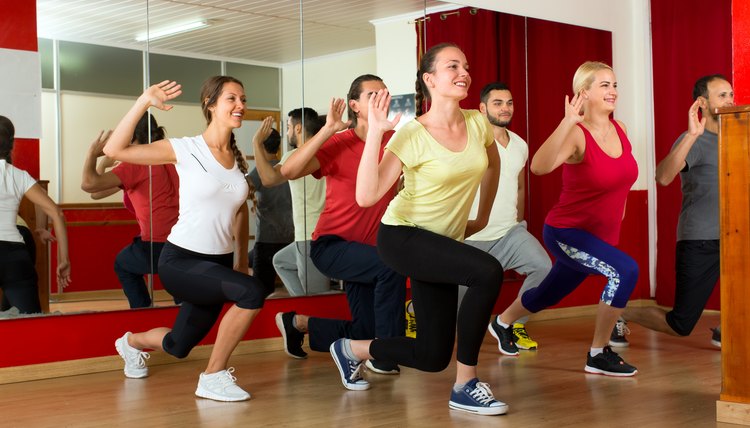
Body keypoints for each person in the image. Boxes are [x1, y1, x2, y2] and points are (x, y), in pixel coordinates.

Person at [329, 43, 507, 416]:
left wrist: (484, 215)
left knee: (431, 356)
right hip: (403, 236)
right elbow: (367, 195)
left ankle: (352, 349)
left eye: (466, 65)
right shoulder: (411, 133)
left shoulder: (477, 123)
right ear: (430, 79)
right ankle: (466, 384)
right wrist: (376, 131)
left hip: (440, 243)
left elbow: (493, 165)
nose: (464, 72)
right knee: (487, 271)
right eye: (452, 66)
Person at [105, 76, 265, 402]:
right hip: (181, 261)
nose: (240, 106)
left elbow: (237, 212)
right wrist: (143, 101)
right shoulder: (185, 148)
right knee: (252, 292)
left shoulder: (236, 160)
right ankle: (213, 376)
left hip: (216, 263)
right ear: (210, 105)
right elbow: (114, 149)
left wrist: (239, 260)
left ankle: (131, 342)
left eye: (243, 99)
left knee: (178, 346)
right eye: (232, 99)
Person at [491, 61, 640, 377]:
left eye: (614, 85)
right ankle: (598, 353)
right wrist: (566, 122)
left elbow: (621, 181)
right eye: (604, 85)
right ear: (584, 93)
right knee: (625, 270)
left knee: (550, 293)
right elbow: (538, 167)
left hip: (598, 237)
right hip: (566, 232)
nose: (613, 91)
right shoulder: (576, 134)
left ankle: (502, 321)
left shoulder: (621, 129)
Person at [274, 74, 406, 375]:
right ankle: (385, 355)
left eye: (384, 94)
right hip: (332, 246)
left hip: (369, 251)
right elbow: (289, 170)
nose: (381, 100)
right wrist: (327, 130)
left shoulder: (395, 141)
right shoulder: (338, 142)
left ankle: (298, 324)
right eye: (372, 95)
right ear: (354, 106)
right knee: (391, 266)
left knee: (364, 330)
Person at [614, 75, 734, 348]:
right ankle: (619, 314)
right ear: (702, 103)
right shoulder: (693, 140)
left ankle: (726, 329)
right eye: (722, 95)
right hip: (700, 239)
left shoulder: (739, 137)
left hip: (736, 235)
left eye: (730, 94)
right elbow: (663, 177)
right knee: (681, 324)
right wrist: (692, 135)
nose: (730, 100)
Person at [463, 82, 552, 354]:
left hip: (509, 232)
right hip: (470, 239)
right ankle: (416, 307)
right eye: (498, 103)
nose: (505, 108)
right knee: (457, 315)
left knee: (544, 268)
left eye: (509, 103)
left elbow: (520, 186)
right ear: (482, 109)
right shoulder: (469, 143)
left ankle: (510, 323)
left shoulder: (520, 145)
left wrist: (519, 223)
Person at [81, 113, 179, 308]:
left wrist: (92, 154)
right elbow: (97, 194)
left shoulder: (136, 164)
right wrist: (104, 165)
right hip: (181, 239)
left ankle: (142, 311)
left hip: (157, 243)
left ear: (131, 137)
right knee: (176, 279)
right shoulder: (168, 158)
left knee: (123, 264)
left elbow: (88, 184)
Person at [251, 109, 329, 297]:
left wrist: (256, 143)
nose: (287, 133)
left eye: (288, 128)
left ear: (298, 128)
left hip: (309, 235)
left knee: (317, 298)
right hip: (317, 234)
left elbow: (268, 179)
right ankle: (300, 304)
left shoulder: (294, 156)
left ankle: (306, 313)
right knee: (281, 261)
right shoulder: (325, 151)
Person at [1, 115, 71, 313]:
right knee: (31, 327)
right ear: (11, 145)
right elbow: (56, 212)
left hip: (15, 256)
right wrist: (64, 260)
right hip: (15, 258)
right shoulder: (19, 175)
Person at [246, 126, 294, 296]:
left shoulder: (261, 172)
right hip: (289, 239)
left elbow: (239, 192)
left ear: (260, 145)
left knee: (261, 291)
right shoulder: (286, 167)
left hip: (267, 241)